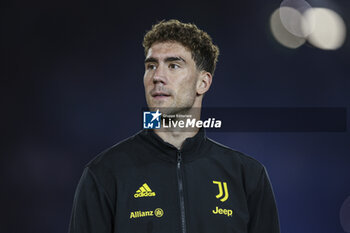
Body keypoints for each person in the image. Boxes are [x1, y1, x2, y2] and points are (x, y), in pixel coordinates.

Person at [69, 19, 280, 233]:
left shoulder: (248, 177)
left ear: (203, 83)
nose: (157, 77)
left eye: (173, 66)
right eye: (151, 66)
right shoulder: (104, 174)